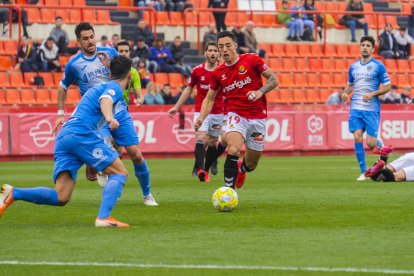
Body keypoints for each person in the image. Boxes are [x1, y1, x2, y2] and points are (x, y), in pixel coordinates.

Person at [0, 56, 132, 227]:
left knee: (61, 196)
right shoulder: (114, 87)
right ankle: (104, 218)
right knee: (120, 172)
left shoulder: (102, 84)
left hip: (65, 136)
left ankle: (12, 193)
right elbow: (105, 101)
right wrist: (109, 117)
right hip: (81, 133)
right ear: (129, 75)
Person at [52, 22, 157, 206]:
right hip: (97, 117)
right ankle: (98, 170)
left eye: (92, 36)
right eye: (85, 39)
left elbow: (123, 73)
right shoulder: (74, 64)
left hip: (119, 110)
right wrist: (60, 113)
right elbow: (62, 87)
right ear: (78, 41)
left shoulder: (109, 53)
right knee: (107, 145)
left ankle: (147, 194)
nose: (90, 41)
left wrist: (111, 68)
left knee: (136, 154)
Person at [195, 31, 278, 189]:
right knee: (233, 149)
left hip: (257, 116)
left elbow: (274, 79)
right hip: (236, 114)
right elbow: (209, 98)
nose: (224, 50)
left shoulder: (252, 59)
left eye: (227, 45)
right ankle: (229, 192)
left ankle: (242, 169)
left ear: (235, 46)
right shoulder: (218, 72)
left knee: (252, 163)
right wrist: (201, 118)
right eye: (221, 47)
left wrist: (260, 92)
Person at [168, 42, 225, 181]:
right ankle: (200, 169)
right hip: (201, 111)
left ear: (219, 54)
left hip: (218, 111)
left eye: (215, 51)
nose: (212, 53)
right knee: (200, 137)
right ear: (205, 53)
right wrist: (176, 107)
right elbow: (188, 89)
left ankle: (205, 169)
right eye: (210, 50)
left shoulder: (223, 71)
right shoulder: (197, 71)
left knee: (212, 142)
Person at [341, 36, 393, 181]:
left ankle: (380, 144)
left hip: (371, 109)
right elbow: (350, 84)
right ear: (360, 47)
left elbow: (388, 86)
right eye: (362, 45)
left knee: (371, 144)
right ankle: (364, 172)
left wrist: (373, 94)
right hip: (356, 108)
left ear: (372, 49)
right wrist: (345, 93)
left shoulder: (378, 66)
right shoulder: (353, 66)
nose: (364, 47)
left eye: (367, 45)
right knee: (357, 136)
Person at [116, 41, 142, 106]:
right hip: (108, 107)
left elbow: (139, 95)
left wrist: (140, 100)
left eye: (126, 51)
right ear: (116, 53)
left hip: (123, 108)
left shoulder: (134, 72)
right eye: (121, 51)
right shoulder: (108, 69)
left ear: (129, 52)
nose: (124, 53)